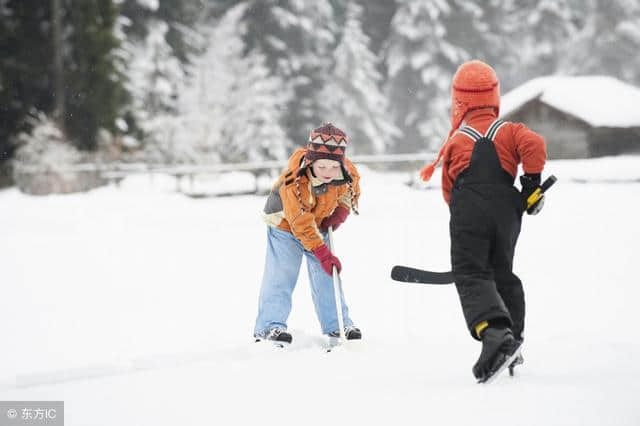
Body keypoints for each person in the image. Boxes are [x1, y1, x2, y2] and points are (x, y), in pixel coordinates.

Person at [419, 60, 547, 382]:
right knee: (502, 272)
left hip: (469, 206)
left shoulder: (457, 139)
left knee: (472, 271)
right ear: (494, 97)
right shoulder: (509, 130)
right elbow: (535, 145)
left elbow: (449, 191)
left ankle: (494, 334)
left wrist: (465, 224)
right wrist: (531, 186)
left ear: (459, 101)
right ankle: (513, 341)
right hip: (507, 207)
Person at [253, 123, 362, 345]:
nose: (328, 173)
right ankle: (269, 327)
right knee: (282, 274)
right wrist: (322, 252)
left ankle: (337, 325)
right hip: (285, 224)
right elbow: (300, 222)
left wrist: (341, 212)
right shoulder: (294, 182)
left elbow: (350, 190)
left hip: (316, 222)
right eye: (322, 167)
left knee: (327, 274)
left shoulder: (345, 172)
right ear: (311, 162)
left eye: (333, 167)